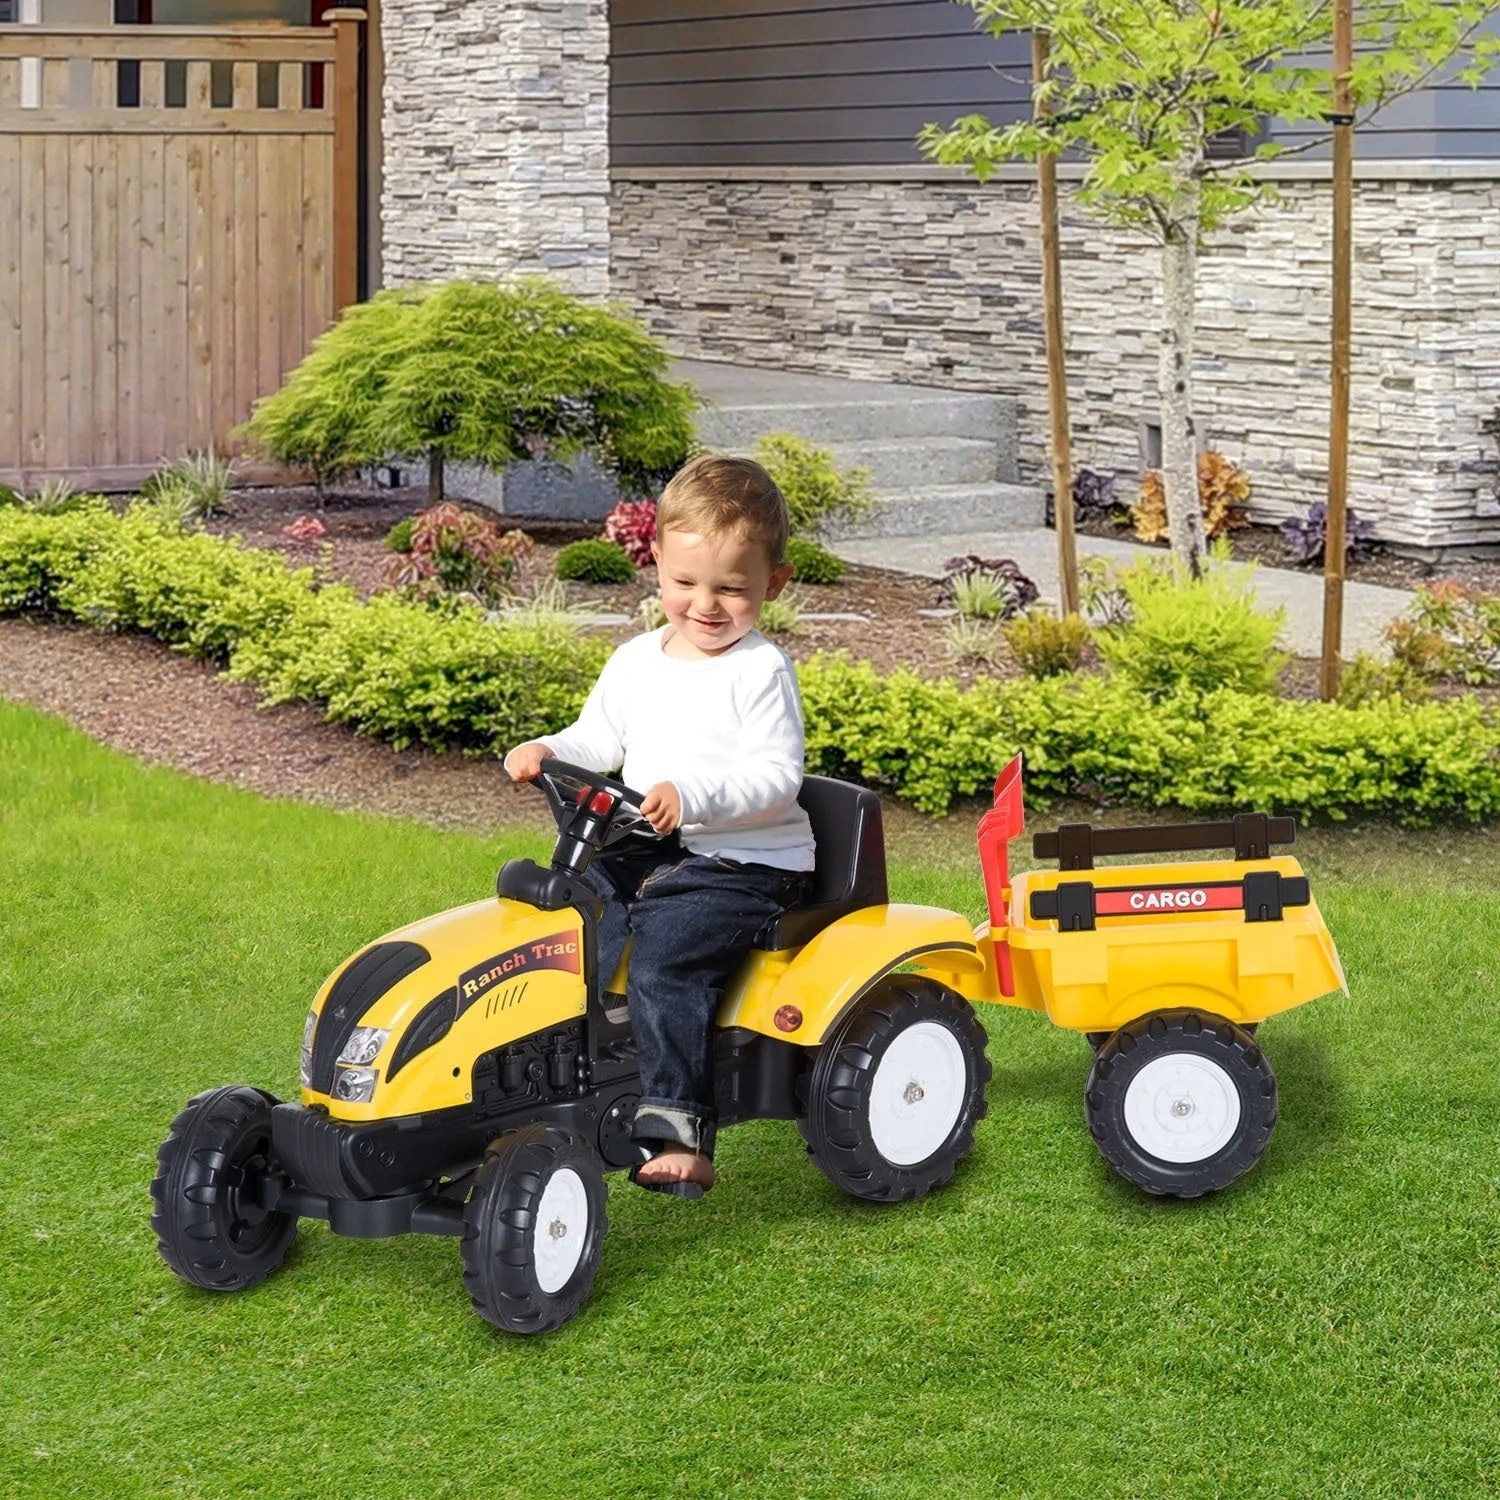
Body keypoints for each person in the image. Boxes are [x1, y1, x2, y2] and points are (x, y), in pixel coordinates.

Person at [504, 455, 816, 1198]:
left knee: (665, 956)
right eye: (685, 583)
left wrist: (692, 794)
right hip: (652, 844)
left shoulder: (760, 672)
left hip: (745, 862)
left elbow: (778, 778)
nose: (705, 605)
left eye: (731, 589)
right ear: (657, 567)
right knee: (574, 916)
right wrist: (549, 751)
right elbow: (596, 740)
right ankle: (567, 1054)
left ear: (775, 584)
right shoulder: (638, 660)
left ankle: (679, 1124)